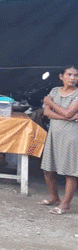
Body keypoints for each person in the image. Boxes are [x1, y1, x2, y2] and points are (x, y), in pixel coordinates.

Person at [39, 65, 78, 215]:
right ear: (61, 76)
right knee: (48, 168)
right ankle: (54, 197)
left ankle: (65, 204)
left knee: (70, 171)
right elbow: (46, 112)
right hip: (54, 134)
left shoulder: (77, 94)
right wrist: (66, 116)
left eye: (75, 76)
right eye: (69, 75)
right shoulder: (55, 91)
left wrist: (52, 104)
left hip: (71, 135)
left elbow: (67, 112)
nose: (73, 78)